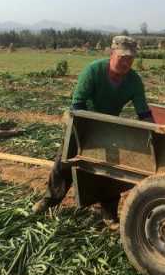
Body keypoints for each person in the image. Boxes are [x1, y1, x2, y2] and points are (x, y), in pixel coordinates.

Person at [32, 35, 153, 214]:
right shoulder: (93, 71)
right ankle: (50, 200)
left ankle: (108, 212)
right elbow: (78, 103)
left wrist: (154, 132)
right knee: (66, 158)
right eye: (122, 58)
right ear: (112, 53)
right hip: (82, 119)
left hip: (109, 124)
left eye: (130, 59)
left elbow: (143, 112)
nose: (126, 63)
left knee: (111, 168)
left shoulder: (133, 80)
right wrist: (87, 129)